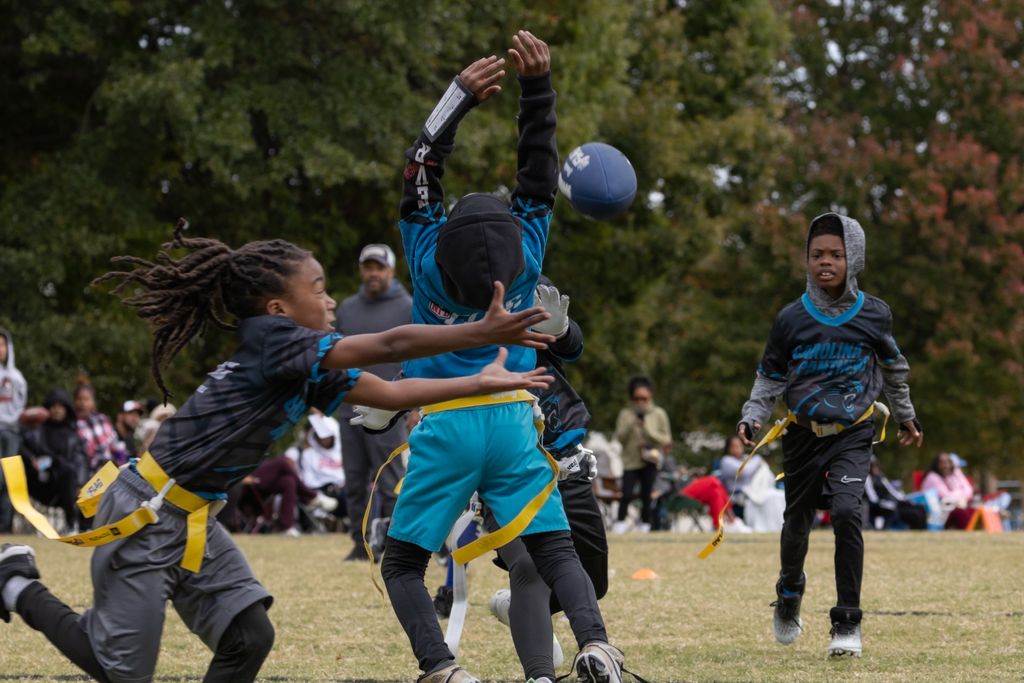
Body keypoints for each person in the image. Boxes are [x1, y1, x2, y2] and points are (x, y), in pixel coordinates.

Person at [0, 220, 555, 683]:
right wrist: (480, 332)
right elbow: (389, 345)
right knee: (117, 669)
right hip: (148, 510)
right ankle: (18, 582)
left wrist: (478, 384)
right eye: (316, 288)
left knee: (249, 635)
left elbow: (389, 391)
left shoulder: (303, 363)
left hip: (193, 515)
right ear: (277, 307)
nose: (331, 297)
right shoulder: (276, 340)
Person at [381, 32, 625, 683]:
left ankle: (443, 668)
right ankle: (597, 643)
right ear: (516, 242)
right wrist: (537, 91)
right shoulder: (527, 264)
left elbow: (419, 170)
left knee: (401, 564)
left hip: (447, 423)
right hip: (517, 419)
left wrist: (456, 98)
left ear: (445, 234)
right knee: (553, 545)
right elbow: (539, 174)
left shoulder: (428, 266)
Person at [738, 212, 924, 658]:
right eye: (817, 254)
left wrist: (905, 415)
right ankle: (789, 591)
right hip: (802, 435)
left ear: (853, 258)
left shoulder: (875, 314)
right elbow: (769, 376)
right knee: (796, 525)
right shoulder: (790, 319)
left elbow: (894, 368)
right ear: (807, 259)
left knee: (846, 513)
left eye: (836, 255)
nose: (826, 262)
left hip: (853, 433)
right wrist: (753, 415)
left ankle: (847, 623)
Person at [480, 277, 608, 683]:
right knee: (531, 566)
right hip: (503, 465)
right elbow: (422, 358)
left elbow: (571, 347)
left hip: (564, 460)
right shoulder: (452, 293)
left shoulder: (530, 280)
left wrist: (562, 330)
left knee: (594, 579)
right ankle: (539, 676)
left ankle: (516, 606)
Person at [335, 243, 412, 560]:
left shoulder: (407, 306)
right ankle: (360, 544)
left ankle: (395, 544)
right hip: (347, 406)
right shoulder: (347, 308)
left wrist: (413, 405)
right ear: (361, 270)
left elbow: (419, 357)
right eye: (368, 267)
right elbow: (334, 355)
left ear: (391, 271)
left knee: (389, 479)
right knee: (354, 481)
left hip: (389, 408)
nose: (373, 273)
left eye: (379, 267)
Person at [19, 388, 87, 534]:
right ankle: (72, 523)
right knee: (67, 472)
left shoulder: (74, 435)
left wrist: (81, 482)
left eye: (60, 406)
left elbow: (80, 460)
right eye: (53, 406)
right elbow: (22, 448)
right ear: (47, 408)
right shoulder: (35, 431)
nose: (57, 410)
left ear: (66, 409)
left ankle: (77, 526)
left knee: (70, 474)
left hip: (68, 485)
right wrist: (32, 460)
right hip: (42, 482)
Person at [612, 376, 672, 533]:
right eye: (637, 398)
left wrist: (647, 429)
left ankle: (646, 524)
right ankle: (620, 523)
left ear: (650, 396)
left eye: (644, 398)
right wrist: (632, 424)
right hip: (630, 461)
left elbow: (666, 439)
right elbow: (620, 438)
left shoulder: (659, 414)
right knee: (626, 493)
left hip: (651, 460)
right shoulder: (625, 414)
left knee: (647, 494)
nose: (640, 402)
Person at [719, 435, 785, 532]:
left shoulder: (746, 458)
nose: (737, 449)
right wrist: (758, 459)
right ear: (728, 448)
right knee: (770, 498)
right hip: (740, 495)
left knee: (779, 495)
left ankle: (780, 526)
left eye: (739, 446)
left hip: (757, 490)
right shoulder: (726, 461)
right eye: (734, 446)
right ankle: (766, 527)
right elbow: (745, 471)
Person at [0, 328, 27, 533]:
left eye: (2, 344)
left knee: (9, 479)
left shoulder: (17, 378)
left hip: (11, 433)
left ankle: (5, 526)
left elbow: (20, 406)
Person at [863, 457, 926, 530]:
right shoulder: (867, 478)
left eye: (876, 465)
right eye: (873, 466)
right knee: (912, 513)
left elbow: (892, 491)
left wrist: (905, 500)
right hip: (880, 506)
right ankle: (884, 529)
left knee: (920, 508)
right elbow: (873, 499)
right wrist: (888, 503)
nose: (875, 468)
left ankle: (922, 532)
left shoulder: (881, 477)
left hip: (893, 503)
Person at [921, 452, 975, 529]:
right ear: (937, 464)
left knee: (972, 511)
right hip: (936, 513)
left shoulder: (949, 476)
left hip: (948, 508)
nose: (946, 466)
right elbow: (946, 496)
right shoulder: (932, 477)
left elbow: (969, 491)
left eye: (949, 462)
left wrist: (957, 472)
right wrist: (960, 493)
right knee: (961, 513)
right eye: (943, 463)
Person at [73, 384, 116, 475]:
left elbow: (114, 444)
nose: (82, 403)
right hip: (88, 476)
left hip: (109, 473)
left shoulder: (103, 420)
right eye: (79, 399)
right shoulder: (73, 425)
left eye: (86, 399)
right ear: (74, 402)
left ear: (93, 402)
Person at [110, 401, 144, 466]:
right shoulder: (109, 436)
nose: (136, 418)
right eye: (132, 414)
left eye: (138, 415)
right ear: (120, 416)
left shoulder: (130, 438)